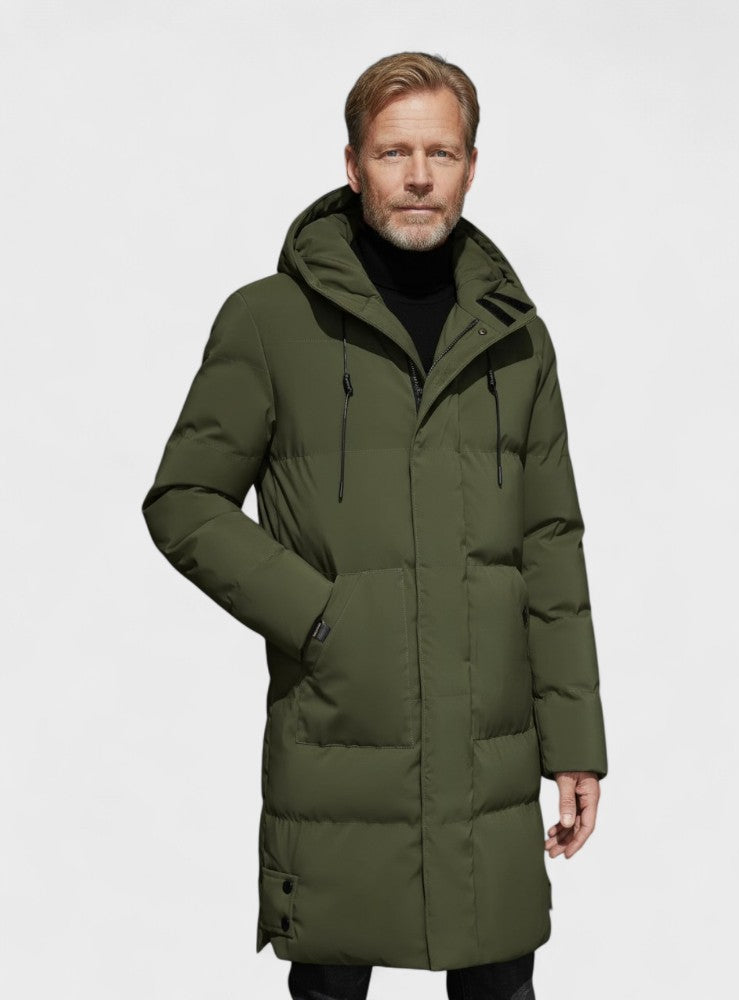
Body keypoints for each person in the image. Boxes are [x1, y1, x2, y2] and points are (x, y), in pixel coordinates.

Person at [141, 51, 608, 1000]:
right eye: (395, 152)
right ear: (353, 165)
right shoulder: (269, 322)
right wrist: (319, 617)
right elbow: (183, 500)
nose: (419, 176)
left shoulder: (516, 337)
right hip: (339, 741)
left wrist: (576, 739)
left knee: (499, 984)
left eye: (442, 152)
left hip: (488, 759)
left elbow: (551, 543)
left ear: (472, 165)